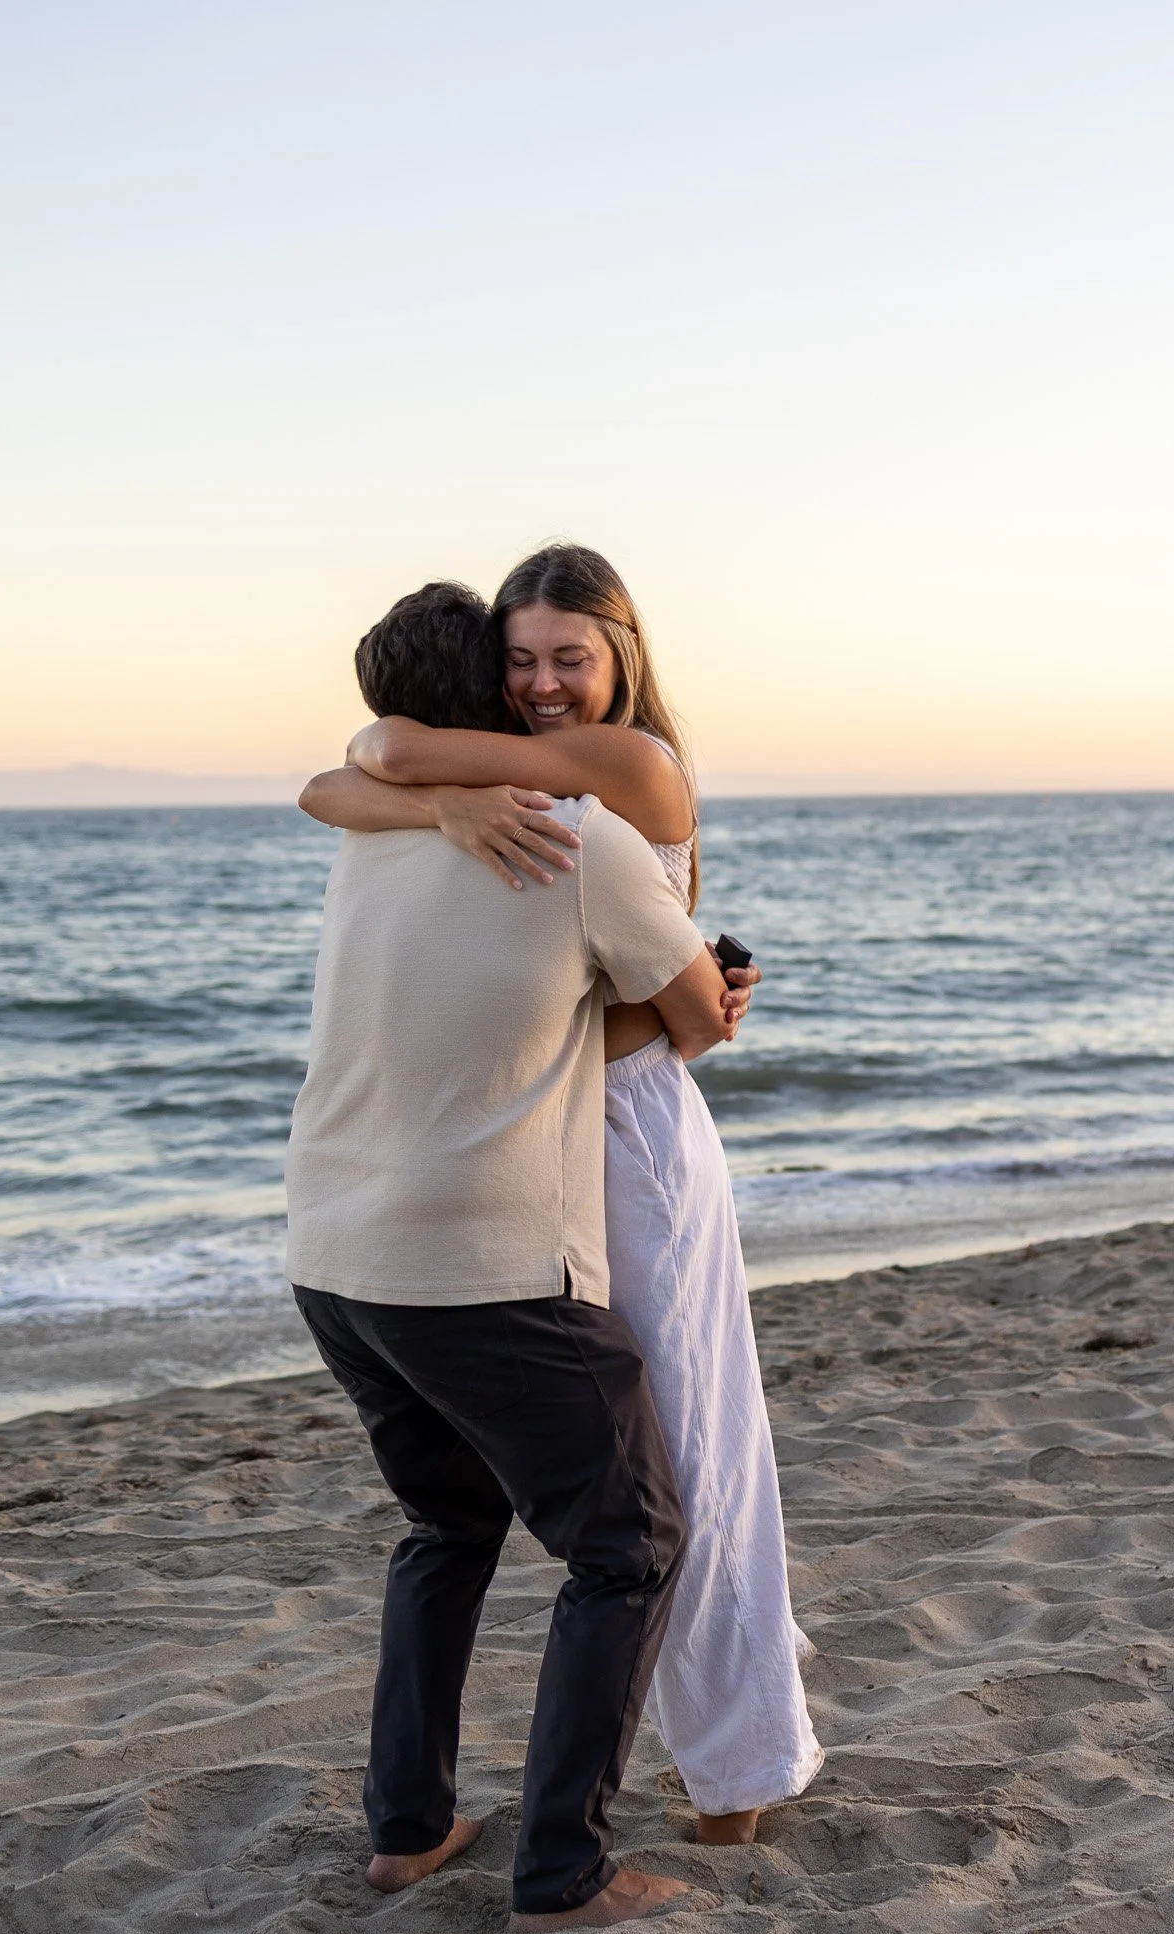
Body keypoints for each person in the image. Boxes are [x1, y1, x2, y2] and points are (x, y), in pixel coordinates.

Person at [302, 544, 823, 1846]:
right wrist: (436, 801)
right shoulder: (509, 796)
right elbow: (348, 775)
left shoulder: (627, 773)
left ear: (621, 655)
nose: (540, 687)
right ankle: (659, 1779)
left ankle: (737, 1770)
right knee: (614, 1488)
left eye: (567, 659)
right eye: (519, 660)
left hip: (629, 1136)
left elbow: (381, 760)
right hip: (541, 1146)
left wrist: (432, 788)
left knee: (694, 1454)